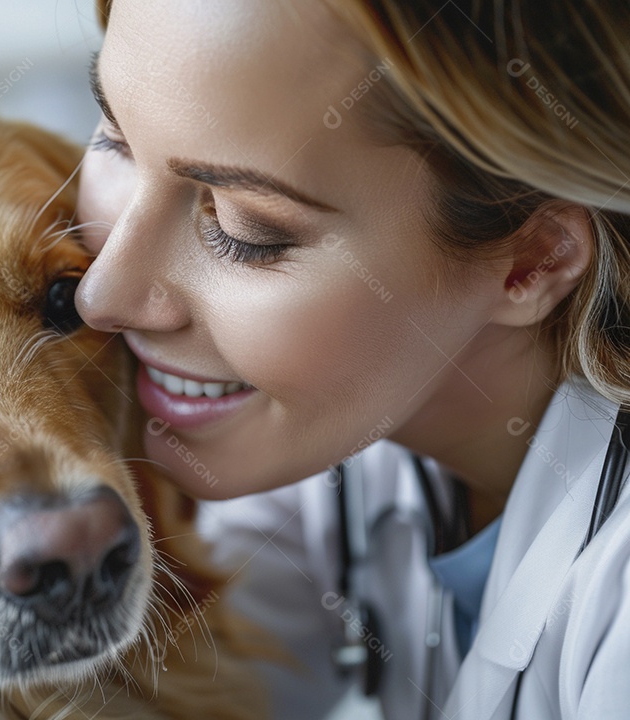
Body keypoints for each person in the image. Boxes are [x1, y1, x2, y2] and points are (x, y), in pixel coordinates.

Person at [74, 0, 630, 719]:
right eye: (116, 139)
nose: (100, 295)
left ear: (534, 260)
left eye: (245, 230)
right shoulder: (338, 434)